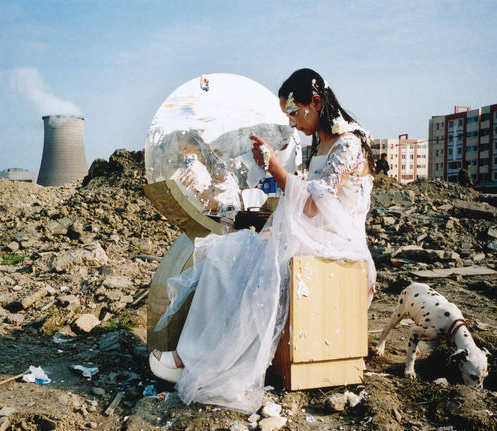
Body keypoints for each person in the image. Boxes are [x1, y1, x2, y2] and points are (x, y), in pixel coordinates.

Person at [149, 68, 377, 413]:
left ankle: (203, 359)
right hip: (313, 237)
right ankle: (195, 354)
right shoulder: (321, 143)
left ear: (315, 103)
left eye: (294, 113)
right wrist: (272, 166)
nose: (293, 123)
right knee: (227, 255)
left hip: (336, 244)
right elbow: (303, 195)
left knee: (258, 265)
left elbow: (316, 206)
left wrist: (275, 168)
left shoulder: (349, 144)